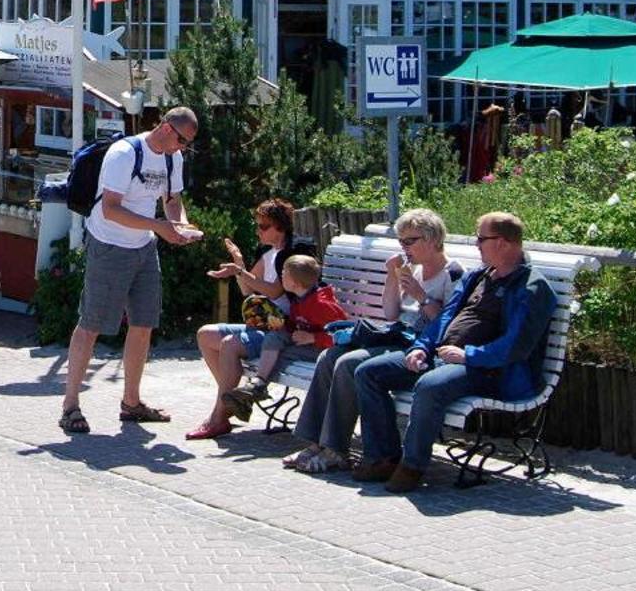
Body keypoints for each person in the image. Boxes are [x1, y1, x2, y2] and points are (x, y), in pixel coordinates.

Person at [350, 211, 555, 492]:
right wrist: (422, 347)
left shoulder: (531, 287)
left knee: (429, 385)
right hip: (445, 356)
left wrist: (468, 355)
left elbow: (516, 346)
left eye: (482, 238)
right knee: (368, 372)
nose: (476, 244)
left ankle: (412, 466)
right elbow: (446, 317)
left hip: (489, 369)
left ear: (504, 243)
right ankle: (383, 457)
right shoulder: (477, 277)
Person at [58, 108, 203, 434]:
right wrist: (159, 226)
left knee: (144, 323)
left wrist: (179, 226)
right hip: (109, 244)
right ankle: (70, 405)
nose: (182, 148)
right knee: (91, 324)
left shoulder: (172, 159)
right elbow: (110, 210)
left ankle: (131, 403)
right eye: (181, 140)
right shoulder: (125, 154)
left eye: (187, 144)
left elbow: (172, 199)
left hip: (143, 246)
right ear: (166, 128)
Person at [285, 208, 460, 474]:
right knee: (329, 356)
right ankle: (315, 442)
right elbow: (391, 313)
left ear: (432, 239)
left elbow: (449, 325)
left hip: (420, 346)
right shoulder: (414, 268)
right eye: (401, 241)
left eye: (409, 241)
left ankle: (335, 450)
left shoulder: (453, 274)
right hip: (396, 334)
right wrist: (392, 277)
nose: (404, 247)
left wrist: (421, 296)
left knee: (348, 363)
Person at [189, 198, 316, 438]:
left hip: (282, 328)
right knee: (205, 335)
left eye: (264, 226)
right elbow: (248, 290)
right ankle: (232, 399)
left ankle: (219, 416)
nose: (258, 230)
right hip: (263, 324)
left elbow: (275, 290)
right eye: (257, 225)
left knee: (229, 345)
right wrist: (239, 264)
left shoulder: (293, 253)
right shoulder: (266, 252)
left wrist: (240, 271)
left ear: (280, 226)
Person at [210, 253, 345, 423]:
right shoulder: (300, 298)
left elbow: (342, 335)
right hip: (305, 344)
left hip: (324, 351)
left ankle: (256, 389)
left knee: (280, 354)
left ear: (295, 282)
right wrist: (278, 322)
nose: (281, 277)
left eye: (284, 274)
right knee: (275, 337)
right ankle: (257, 386)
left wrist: (313, 338)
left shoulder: (321, 305)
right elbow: (295, 324)